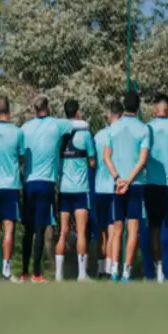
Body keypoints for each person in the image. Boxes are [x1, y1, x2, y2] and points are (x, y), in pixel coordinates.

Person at [21, 95, 89, 282]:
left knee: (28, 229)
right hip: (46, 183)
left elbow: (20, 151)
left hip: (28, 182)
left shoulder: (25, 128)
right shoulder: (56, 125)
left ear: (34, 109)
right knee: (41, 228)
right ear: (48, 107)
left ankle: (24, 272)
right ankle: (36, 273)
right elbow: (79, 125)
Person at [104, 91, 150, 282]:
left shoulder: (112, 129)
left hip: (117, 184)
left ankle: (114, 270)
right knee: (133, 230)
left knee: (116, 228)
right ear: (138, 108)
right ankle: (126, 272)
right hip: (136, 184)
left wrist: (118, 179)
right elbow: (142, 160)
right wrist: (129, 181)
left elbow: (106, 157)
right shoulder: (144, 129)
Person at [55, 99, 96, 282]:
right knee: (80, 231)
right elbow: (93, 161)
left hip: (64, 189)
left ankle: (58, 274)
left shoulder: (60, 136)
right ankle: (81, 274)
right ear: (77, 112)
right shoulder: (85, 135)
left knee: (63, 231)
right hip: (80, 189)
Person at [144, 93, 168, 283]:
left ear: (154, 109)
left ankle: (158, 272)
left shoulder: (147, 128)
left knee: (154, 230)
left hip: (151, 185)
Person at [0, 96, 24, 282]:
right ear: (9, 111)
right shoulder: (17, 133)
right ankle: (6, 271)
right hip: (10, 185)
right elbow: (22, 157)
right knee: (9, 228)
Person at [93, 101, 123, 278]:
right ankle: (112, 268)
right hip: (113, 186)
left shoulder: (98, 135)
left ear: (109, 114)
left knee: (101, 230)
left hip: (99, 186)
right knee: (113, 229)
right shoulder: (119, 134)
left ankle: (100, 268)